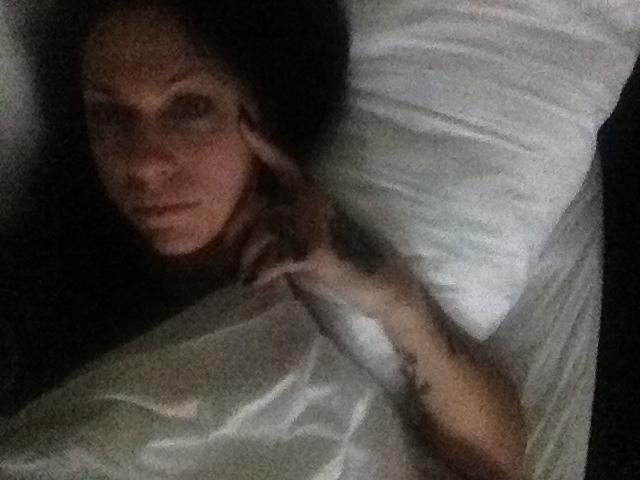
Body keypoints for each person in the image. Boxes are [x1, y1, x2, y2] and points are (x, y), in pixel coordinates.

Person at [8, 0, 526, 478]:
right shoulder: (33, 294)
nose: (145, 164)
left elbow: (491, 463)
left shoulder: (315, 289)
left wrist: (394, 297)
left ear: (268, 117)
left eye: (190, 108)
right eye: (110, 115)